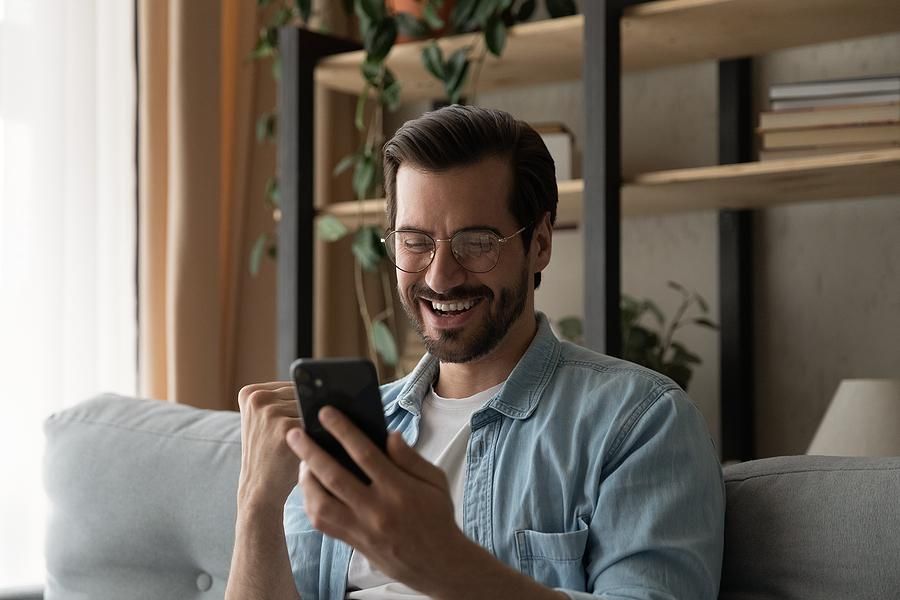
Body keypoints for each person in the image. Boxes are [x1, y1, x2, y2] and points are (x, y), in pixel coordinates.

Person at [225, 105, 725, 600]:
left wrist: (444, 565)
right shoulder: (350, 430)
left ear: (541, 244)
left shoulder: (638, 422)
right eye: (415, 241)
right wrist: (256, 507)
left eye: (477, 242)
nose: (440, 276)